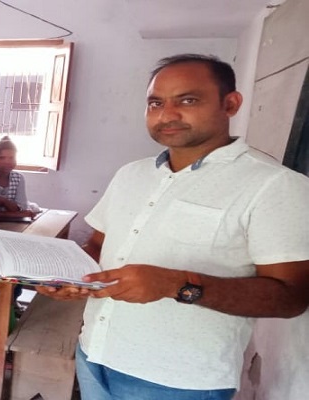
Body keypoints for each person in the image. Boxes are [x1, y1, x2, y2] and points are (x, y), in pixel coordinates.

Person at [38, 54, 309, 399]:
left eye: (188, 100)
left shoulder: (274, 185)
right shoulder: (131, 175)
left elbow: (291, 297)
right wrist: (70, 279)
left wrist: (176, 285)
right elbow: (97, 246)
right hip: (95, 356)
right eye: (155, 103)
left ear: (231, 103)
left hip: (178, 380)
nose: (167, 115)